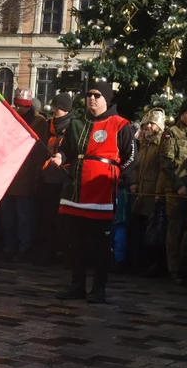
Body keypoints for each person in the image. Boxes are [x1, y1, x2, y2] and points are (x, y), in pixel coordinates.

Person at [53, 81, 135, 304]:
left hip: (101, 192)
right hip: (75, 191)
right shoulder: (77, 123)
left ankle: (99, 288)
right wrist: (60, 156)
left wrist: (114, 176)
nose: (91, 98)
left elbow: (130, 157)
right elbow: (66, 149)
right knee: (74, 242)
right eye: (89, 94)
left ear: (106, 99)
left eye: (97, 95)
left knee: (99, 244)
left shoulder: (120, 124)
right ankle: (77, 286)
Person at [0, 89, 46, 262]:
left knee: (23, 215)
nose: (19, 109)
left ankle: (23, 248)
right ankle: (9, 247)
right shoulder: (10, 119)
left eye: (23, 106)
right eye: (17, 105)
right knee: (8, 215)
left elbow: (38, 149)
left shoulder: (38, 122)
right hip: (8, 174)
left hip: (25, 173)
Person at [161, 97, 187, 285]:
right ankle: (174, 270)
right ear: (182, 114)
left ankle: (186, 266)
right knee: (175, 230)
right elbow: (166, 164)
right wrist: (178, 185)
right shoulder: (171, 133)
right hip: (176, 191)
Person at [34, 92, 75, 263]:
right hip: (47, 179)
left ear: (65, 110)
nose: (54, 111)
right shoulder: (48, 125)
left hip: (64, 180)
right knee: (46, 218)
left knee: (64, 221)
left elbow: (74, 152)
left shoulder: (74, 126)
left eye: (57, 108)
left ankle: (64, 253)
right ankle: (46, 252)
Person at [130, 108, 165, 275]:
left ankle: (153, 265)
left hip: (153, 192)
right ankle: (139, 262)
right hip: (141, 191)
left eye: (153, 123)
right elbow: (138, 166)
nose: (150, 126)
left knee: (154, 229)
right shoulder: (143, 143)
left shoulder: (161, 144)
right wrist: (135, 182)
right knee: (139, 227)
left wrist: (158, 191)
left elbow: (162, 169)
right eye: (147, 123)